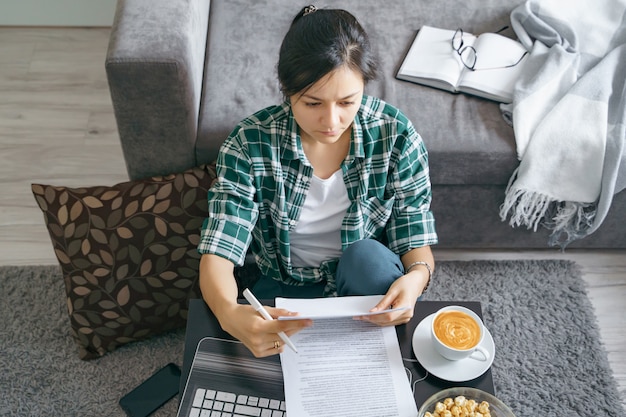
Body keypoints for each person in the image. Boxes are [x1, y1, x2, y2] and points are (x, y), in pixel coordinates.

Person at [197, 5, 438, 357]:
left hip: (361, 279)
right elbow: (220, 246)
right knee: (262, 372)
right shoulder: (249, 143)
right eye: (312, 103)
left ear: (364, 87)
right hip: (285, 281)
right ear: (287, 90)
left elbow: (414, 235)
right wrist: (229, 312)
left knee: (367, 260)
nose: (331, 120)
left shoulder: (396, 135)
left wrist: (416, 279)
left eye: (347, 101)